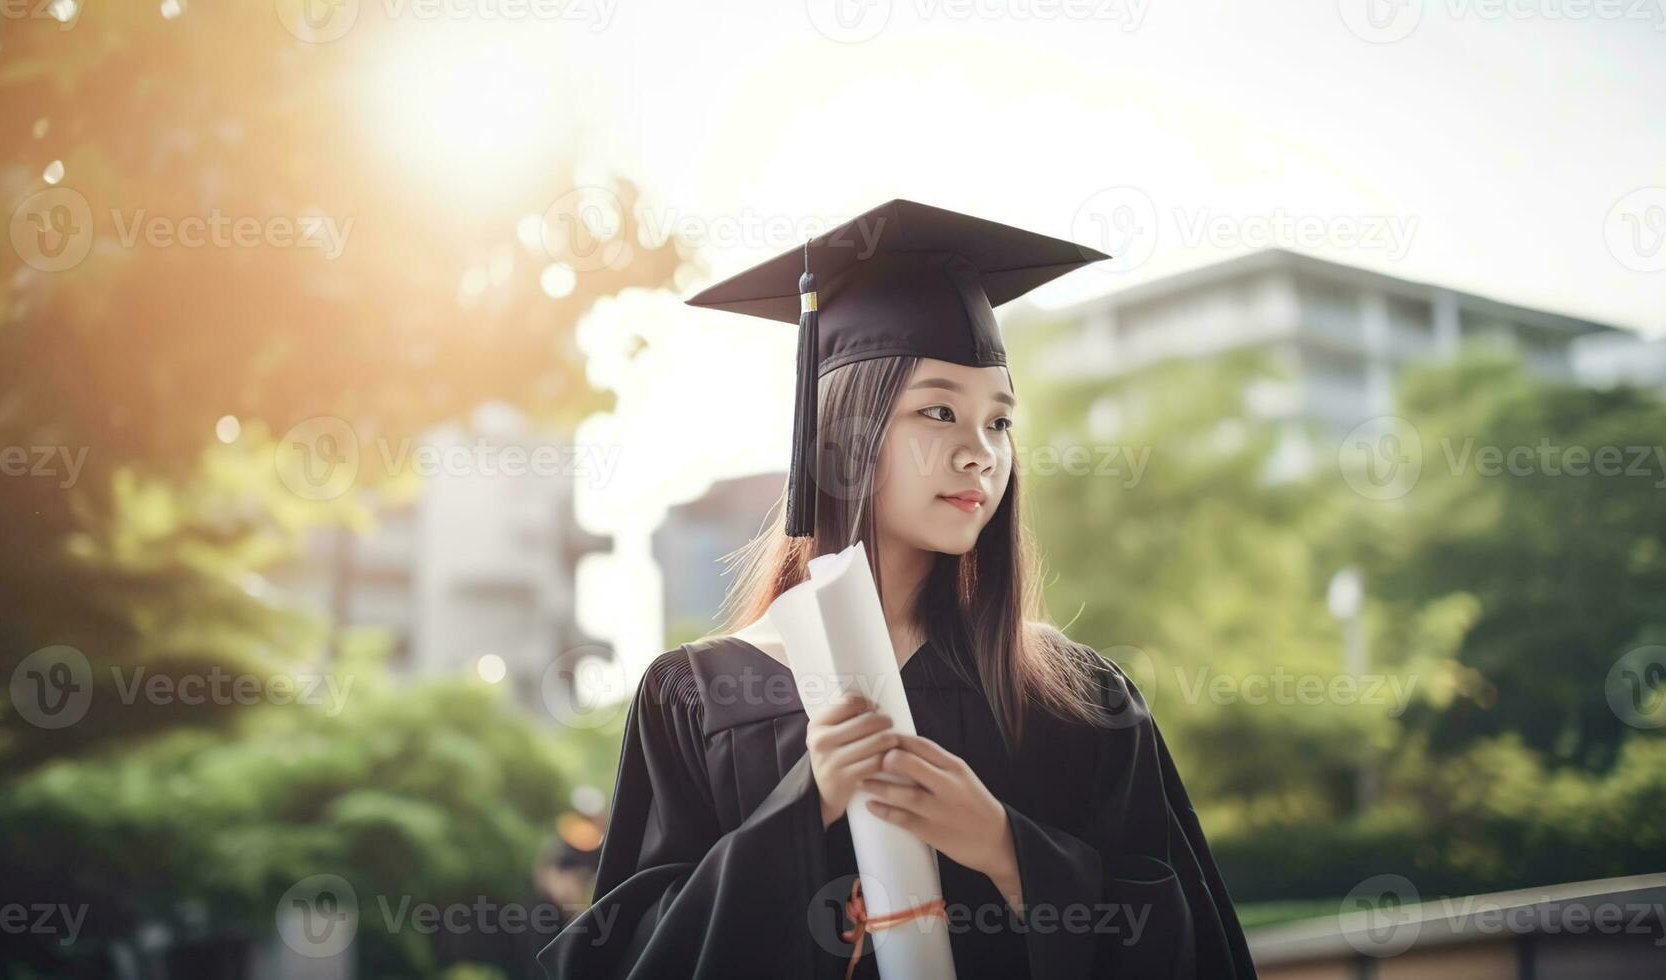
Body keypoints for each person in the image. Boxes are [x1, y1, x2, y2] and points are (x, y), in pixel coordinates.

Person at [538, 199, 1257, 979]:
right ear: (842, 441)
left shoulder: (1077, 697)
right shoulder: (699, 698)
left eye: (999, 422)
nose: (979, 452)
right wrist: (798, 812)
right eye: (939, 411)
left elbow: (1192, 947)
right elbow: (624, 958)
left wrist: (1006, 850)